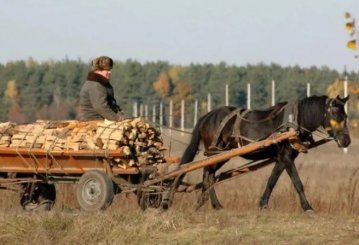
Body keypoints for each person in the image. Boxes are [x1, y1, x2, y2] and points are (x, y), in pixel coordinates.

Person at [79, 56, 127, 121]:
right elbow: (100, 107)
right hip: (94, 121)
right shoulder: (95, 85)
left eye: (110, 69)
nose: (110, 72)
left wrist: (120, 114)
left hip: (105, 119)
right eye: (107, 70)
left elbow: (111, 103)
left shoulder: (102, 84)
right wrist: (117, 118)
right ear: (98, 70)